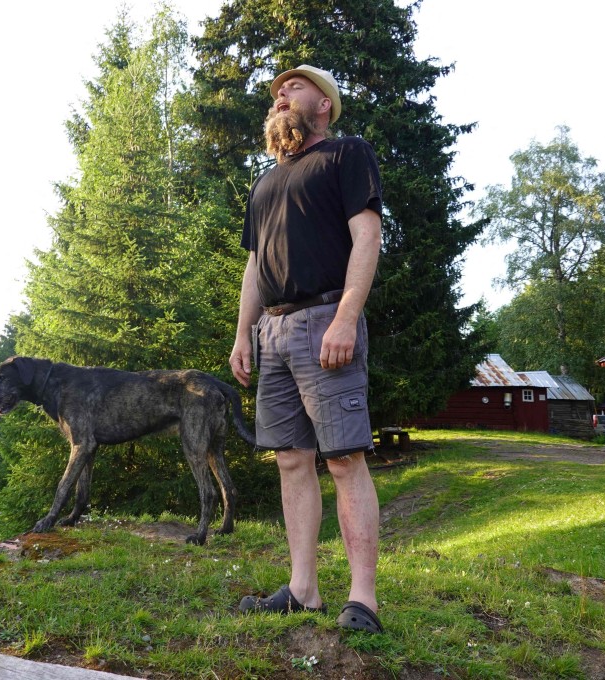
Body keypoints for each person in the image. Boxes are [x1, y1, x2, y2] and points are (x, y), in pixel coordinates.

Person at [229, 64, 384, 634]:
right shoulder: (264, 182)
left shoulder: (347, 155)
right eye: (276, 92)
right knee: (291, 459)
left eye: (293, 87)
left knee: (343, 458)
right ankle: (303, 590)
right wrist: (242, 333)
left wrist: (346, 317)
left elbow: (366, 236)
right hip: (271, 331)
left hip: (325, 320)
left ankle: (361, 599)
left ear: (325, 104)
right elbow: (254, 265)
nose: (280, 95)